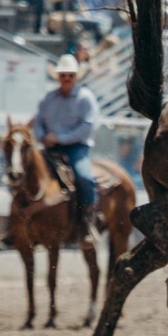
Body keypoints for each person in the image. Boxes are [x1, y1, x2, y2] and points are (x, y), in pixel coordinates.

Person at [32, 54, 101, 245]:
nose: (66, 78)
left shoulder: (86, 98)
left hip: (76, 147)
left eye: (70, 75)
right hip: (50, 147)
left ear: (76, 76)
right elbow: (37, 123)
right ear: (58, 77)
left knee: (84, 176)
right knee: (26, 172)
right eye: (63, 75)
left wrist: (60, 138)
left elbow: (87, 127)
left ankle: (88, 220)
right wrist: (42, 137)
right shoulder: (48, 98)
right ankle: (18, 223)